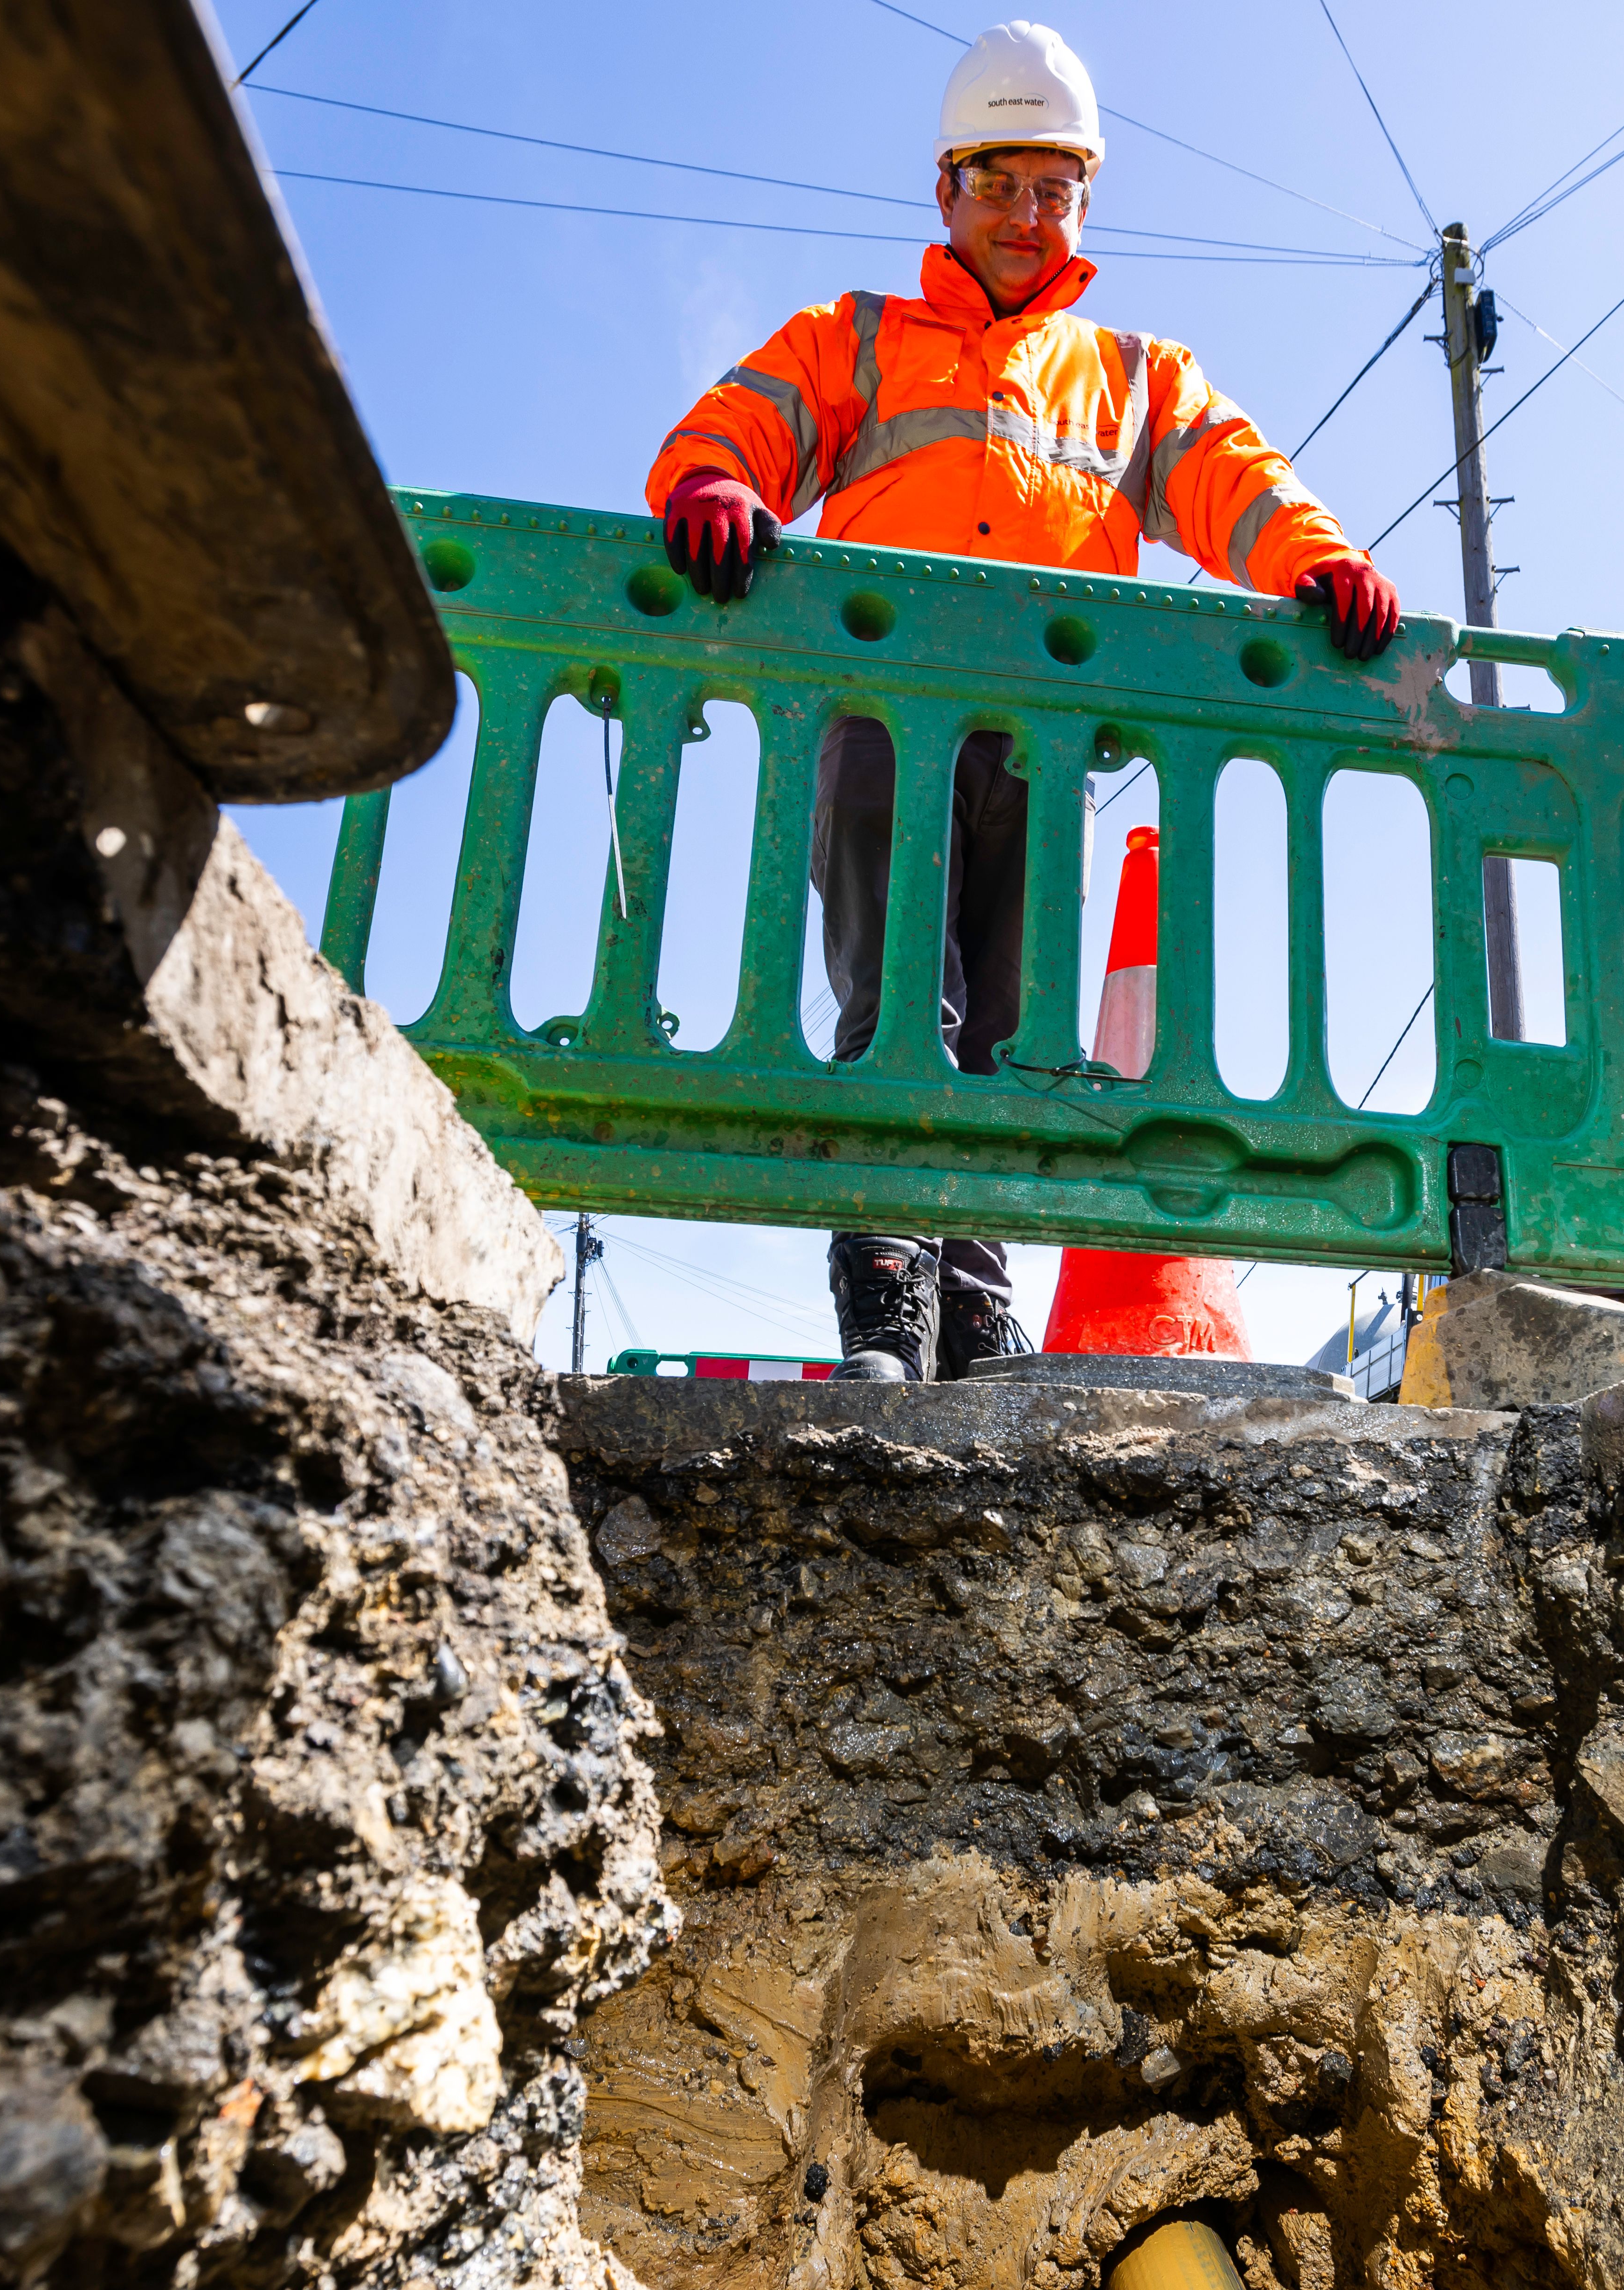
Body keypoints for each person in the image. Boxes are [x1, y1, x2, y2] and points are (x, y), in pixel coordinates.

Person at [644, 20, 1404, 1382]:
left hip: (1046, 749)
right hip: (885, 721)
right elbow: (740, 426)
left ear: (1083, 203)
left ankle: (980, 1307)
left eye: (1054, 189)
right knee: (897, 1008)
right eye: (999, 183)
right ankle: (888, 1295)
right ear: (946, 190)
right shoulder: (855, 341)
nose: (1025, 215)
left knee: (1009, 1032)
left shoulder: (1132, 378)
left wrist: (1320, 560)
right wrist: (713, 483)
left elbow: (1235, 479)